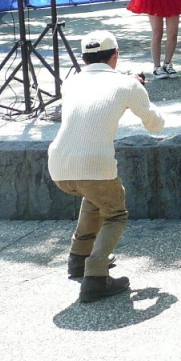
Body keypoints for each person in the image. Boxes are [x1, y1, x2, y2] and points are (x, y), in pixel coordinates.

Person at [47, 30, 165, 304]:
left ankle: (78, 258)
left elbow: (97, 93)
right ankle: (96, 276)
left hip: (59, 165)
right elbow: (156, 125)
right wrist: (138, 88)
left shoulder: (71, 83)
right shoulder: (127, 84)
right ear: (115, 55)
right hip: (95, 164)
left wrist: (127, 83)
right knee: (115, 214)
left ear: (84, 59)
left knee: (96, 196)